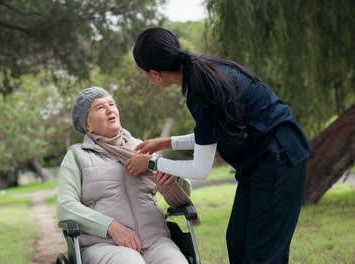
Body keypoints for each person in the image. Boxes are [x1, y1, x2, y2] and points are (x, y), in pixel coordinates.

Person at [126, 27, 311, 264]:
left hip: (280, 160)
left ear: (155, 74)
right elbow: (210, 133)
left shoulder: (202, 89)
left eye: (143, 74)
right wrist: (167, 141)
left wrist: (152, 163)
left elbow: (200, 169)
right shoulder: (200, 70)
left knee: (262, 254)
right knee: (238, 241)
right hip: (259, 162)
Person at [56, 86, 189, 264]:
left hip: (155, 242)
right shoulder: (77, 155)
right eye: (100, 107)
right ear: (87, 125)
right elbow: (66, 206)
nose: (110, 109)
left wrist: (168, 171)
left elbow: (183, 192)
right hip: (103, 245)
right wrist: (110, 226)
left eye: (112, 104)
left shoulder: (141, 148)